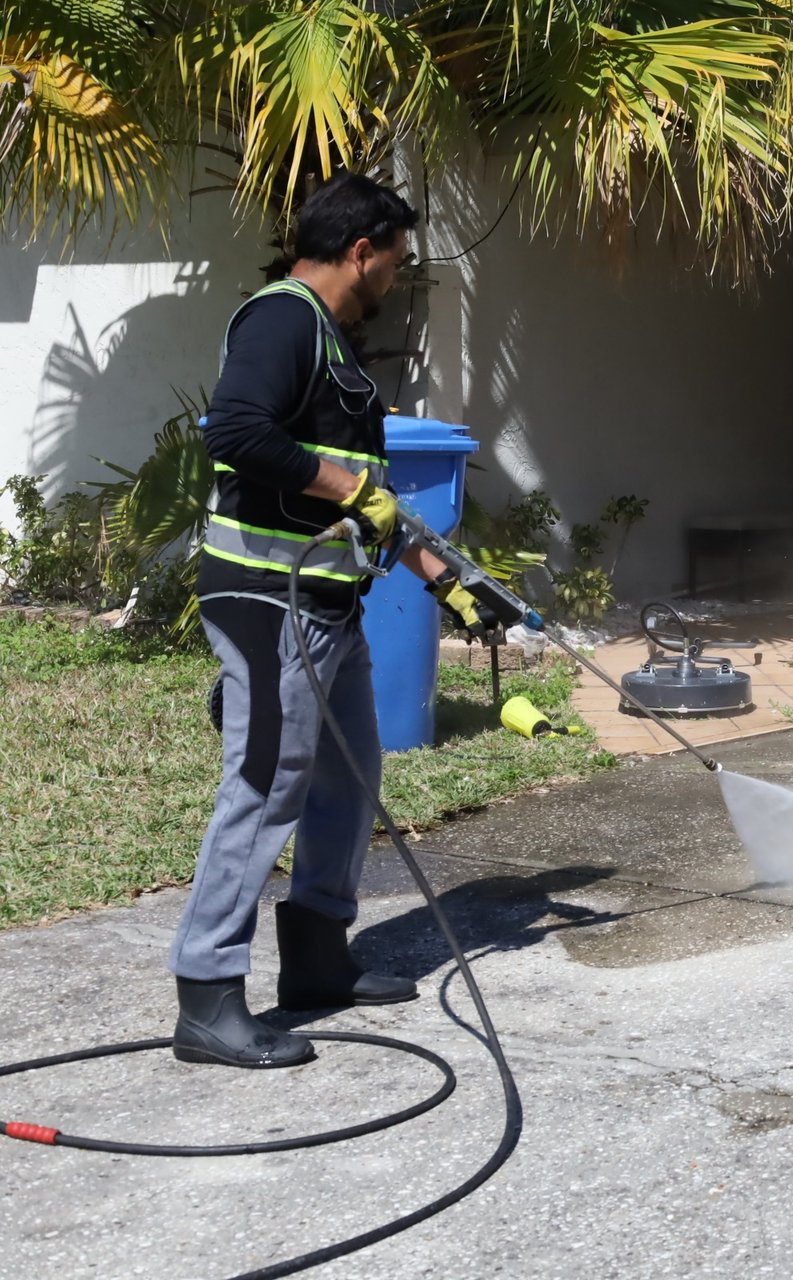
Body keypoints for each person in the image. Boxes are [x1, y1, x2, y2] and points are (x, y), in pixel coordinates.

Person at [170, 173, 496, 1069]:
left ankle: (317, 961)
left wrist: (447, 577)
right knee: (266, 781)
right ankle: (206, 998)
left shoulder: (333, 344)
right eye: (395, 258)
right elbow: (236, 432)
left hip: (327, 605)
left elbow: (366, 500)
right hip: (264, 601)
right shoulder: (281, 319)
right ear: (363, 250)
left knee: (349, 778)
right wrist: (353, 489)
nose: (397, 275)